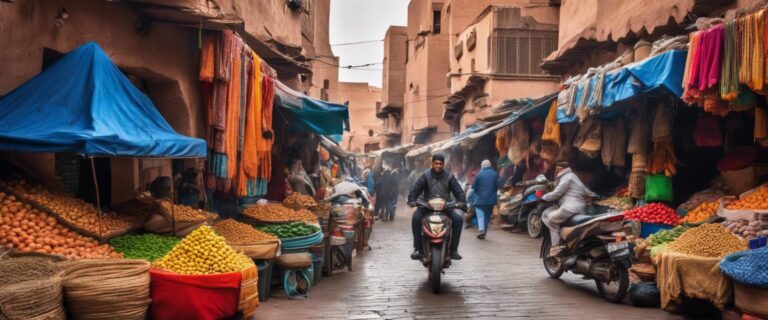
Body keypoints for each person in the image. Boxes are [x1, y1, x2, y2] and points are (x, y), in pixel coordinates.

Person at [407, 154, 467, 260]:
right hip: (427, 207)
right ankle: (417, 249)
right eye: (436, 163)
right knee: (416, 218)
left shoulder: (449, 177)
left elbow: (459, 192)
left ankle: (453, 250)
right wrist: (412, 200)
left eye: (440, 164)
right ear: (432, 163)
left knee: (458, 220)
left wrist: (462, 202)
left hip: (445, 208)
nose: (438, 166)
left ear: (443, 165)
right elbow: (415, 190)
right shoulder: (425, 176)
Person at [541, 162, 597, 256]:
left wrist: (543, 197)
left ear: (560, 169)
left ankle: (556, 248)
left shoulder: (567, 177)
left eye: (557, 169)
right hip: (580, 209)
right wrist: (595, 195)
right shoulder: (573, 176)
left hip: (570, 208)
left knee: (550, 219)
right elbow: (586, 191)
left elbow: (557, 193)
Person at [470, 160, 499, 239]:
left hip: (480, 200)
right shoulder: (495, 174)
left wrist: (470, 198)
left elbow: (473, 187)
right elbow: (498, 186)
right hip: (491, 200)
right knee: (487, 216)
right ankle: (484, 232)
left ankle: (482, 230)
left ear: (482, 166)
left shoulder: (479, 175)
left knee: (480, 215)